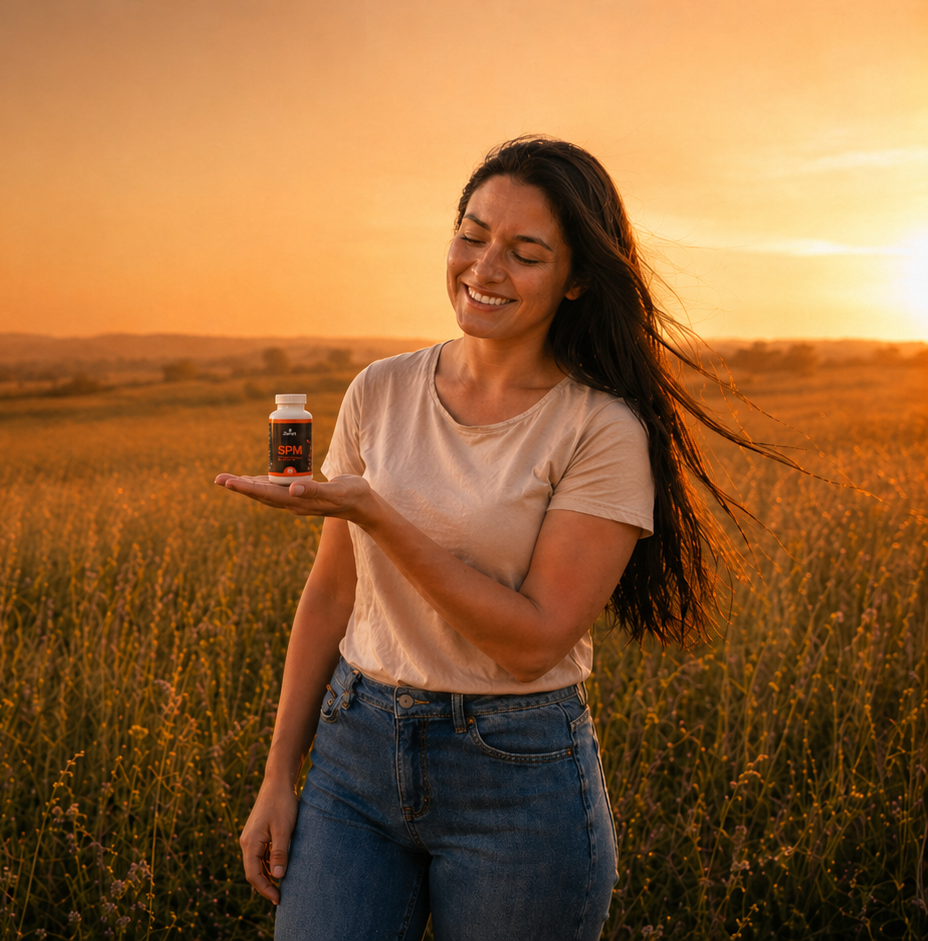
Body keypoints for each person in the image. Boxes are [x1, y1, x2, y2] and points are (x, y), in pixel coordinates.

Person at [216, 136, 764, 940]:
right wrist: (277, 776)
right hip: (353, 755)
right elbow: (334, 592)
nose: (485, 267)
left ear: (576, 278)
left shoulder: (599, 430)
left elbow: (534, 641)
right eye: (472, 234)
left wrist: (378, 513)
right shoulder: (381, 389)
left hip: (516, 779)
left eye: (524, 252)